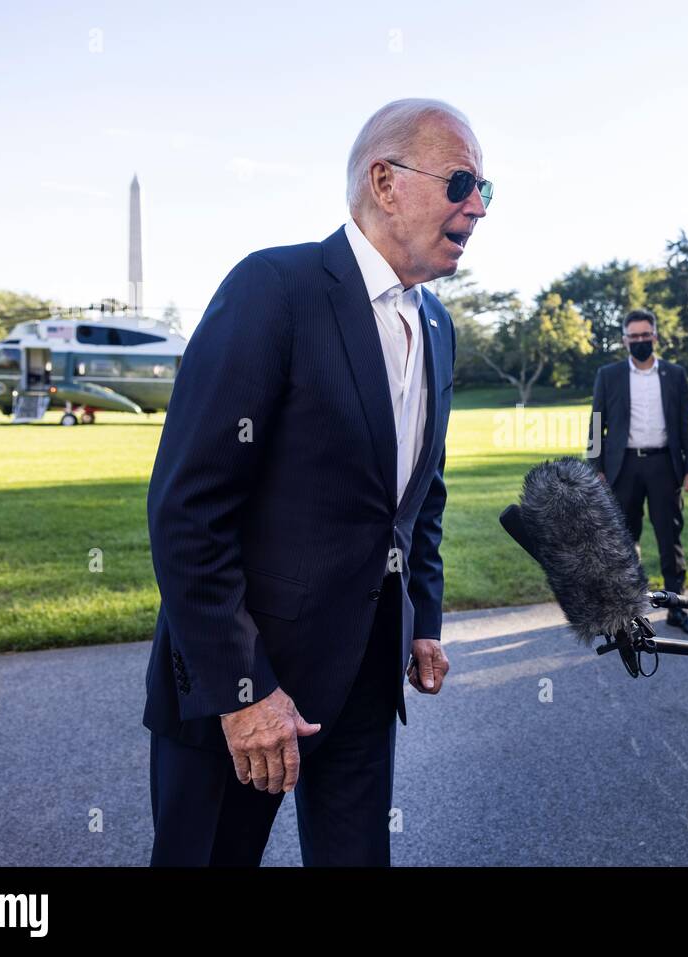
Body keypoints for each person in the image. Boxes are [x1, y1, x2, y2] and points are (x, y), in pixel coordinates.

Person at [142, 98, 485, 866]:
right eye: (461, 181)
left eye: (485, 189)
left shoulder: (437, 325)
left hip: (364, 675)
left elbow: (419, 495)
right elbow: (187, 510)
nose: (478, 207)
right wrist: (243, 692)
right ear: (385, 181)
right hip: (244, 684)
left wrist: (422, 616)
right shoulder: (275, 287)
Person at [589, 309, 688, 637]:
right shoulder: (608, 374)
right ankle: (626, 614)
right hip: (622, 467)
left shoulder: (674, 374)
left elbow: (687, 422)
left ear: (655, 336)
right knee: (623, 541)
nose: (640, 341)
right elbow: (597, 423)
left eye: (645, 335)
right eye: (633, 336)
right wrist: (596, 468)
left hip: (663, 466)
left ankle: (677, 610)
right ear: (625, 339)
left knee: (670, 539)